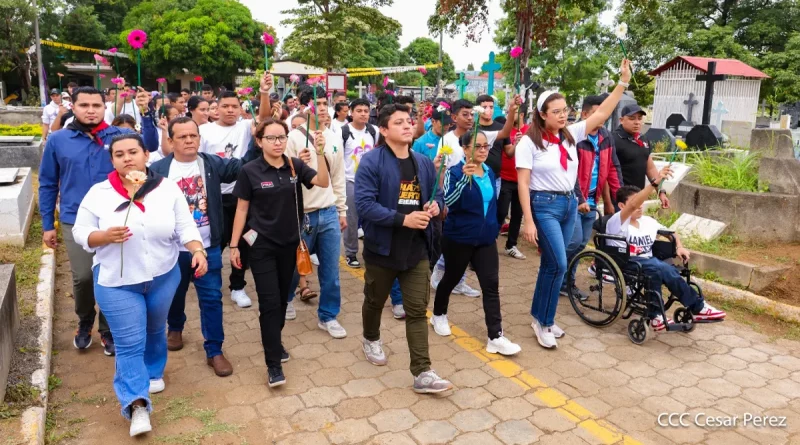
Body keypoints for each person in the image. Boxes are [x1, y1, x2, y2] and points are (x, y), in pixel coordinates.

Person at [71, 133, 207, 437]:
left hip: (163, 276)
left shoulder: (166, 188)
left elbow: (185, 225)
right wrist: (103, 236)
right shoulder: (100, 193)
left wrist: (197, 250)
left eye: (133, 152)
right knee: (130, 343)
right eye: (119, 155)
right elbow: (81, 231)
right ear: (113, 161)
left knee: (155, 328)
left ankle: (155, 369)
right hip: (117, 283)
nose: (127, 158)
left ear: (146, 155)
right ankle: (136, 404)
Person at [517, 60, 632, 349]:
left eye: (565, 109)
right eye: (556, 112)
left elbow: (603, 112)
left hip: (569, 204)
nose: (563, 115)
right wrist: (528, 221)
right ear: (542, 115)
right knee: (557, 261)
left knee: (552, 264)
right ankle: (542, 320)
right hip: (543, 206)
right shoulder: (529, 143)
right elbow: (522, 183)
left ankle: (544, 318)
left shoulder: (570, 134)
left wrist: (623, 83)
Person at [39, 87, 158, 357]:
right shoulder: (58, 140)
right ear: (74, 107)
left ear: (105, 107)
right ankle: (84, 320)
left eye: (96, 104)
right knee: (83, 277)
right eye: (84, 105)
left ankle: (107, 329)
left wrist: (146, 113)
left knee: (110, 275)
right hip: (73, 219)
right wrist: (48, 224)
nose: (90, 110)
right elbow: (47, 183)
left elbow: (149, 146)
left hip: (115, 217)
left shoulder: (118, 137)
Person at [355, 103, 453, 394]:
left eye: (409, 121)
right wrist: (403, 219)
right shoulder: (371, 162)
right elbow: (364, 206)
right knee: (374, 301)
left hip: (417, 250)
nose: (407, 126)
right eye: (398, 122)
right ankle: (371, 338)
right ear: (384, 130)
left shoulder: (422, 162)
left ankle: (422, 371)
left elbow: (441, 197)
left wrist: (437, 207)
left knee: (416, 310)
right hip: (382, 249)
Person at [229, 119, 329, 387]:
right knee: (270, 303)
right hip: (261, 246)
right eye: (271, 138)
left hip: (291, 245)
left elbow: (321, 181)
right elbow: (241, 209)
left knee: (283, 302)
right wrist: (234, 244)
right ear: (259, 141)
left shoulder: (294, 166)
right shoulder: (250, 170)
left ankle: (275, 341)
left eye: (281, 137)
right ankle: (273, 364)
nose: (277, 143)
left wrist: (320, 152)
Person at [148, 117, 241, 377]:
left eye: (193, 136)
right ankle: (175, 326)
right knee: (174, 294)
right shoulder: (158, 170)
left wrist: (259, 139)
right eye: (182, 137)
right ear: (170, 141)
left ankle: (214, 350)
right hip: (171, 250)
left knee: (211, 298)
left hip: (207, 247)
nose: (189, 140)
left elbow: (240, 166)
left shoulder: (210, 163)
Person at [430, 131, 521, 356]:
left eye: (486, 147)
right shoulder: (453, 172)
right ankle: (438, 314)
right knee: (450, 279)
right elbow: (448, 202)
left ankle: (495, 336)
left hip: (486, 240)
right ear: (464, 149)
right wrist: (463, 179)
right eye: (477, 146)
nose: (482, 150)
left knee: (491, 286)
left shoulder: (489, 172)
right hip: (459, 238)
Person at [198, 73, 273, 309]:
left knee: (243, 242)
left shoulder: (244, 127)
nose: (230, 110)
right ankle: (209, 282)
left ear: (241, 109)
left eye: (235, 107)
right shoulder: (205, 131)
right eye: (225, 106)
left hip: (243, 195)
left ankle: (237, 286)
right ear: (215, 109)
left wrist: (263, 93)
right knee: (215, 242)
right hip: (214, 198)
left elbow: (265, 118)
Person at [607, 182, 726, 329]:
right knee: (658, 267)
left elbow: (671, 233)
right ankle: (698, 307)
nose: (639, 206)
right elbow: (631, 208)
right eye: (635, 203)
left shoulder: (648, 221)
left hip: (648, 261)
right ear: (621, 206)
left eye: (641, 203)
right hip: (626, 262)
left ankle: (656, 315)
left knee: (657, 269)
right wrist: (655, 182)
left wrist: (679, 247)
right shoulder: (616, 222)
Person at [284, 85, 348, 338]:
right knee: (294, 267)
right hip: (303, 215)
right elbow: (284, 177)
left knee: (331, 270)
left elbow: (338, 176)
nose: (322, 109)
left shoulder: (333, 137)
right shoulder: (293, 138)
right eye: (316, 104)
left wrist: (342, 210)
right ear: (304, 106)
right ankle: (286, 298)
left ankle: (328, 315)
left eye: (324, 103)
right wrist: (300, 164)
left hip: (329, 211)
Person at [561, 95, 624, 298]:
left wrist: (619, 199)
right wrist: (579, 199)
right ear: (585, 114)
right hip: (573, 199)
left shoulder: (606, 136)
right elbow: (570, 172)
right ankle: (555, 274)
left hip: (592, 199)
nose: (602, 118)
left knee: (580, 244)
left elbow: (613, 168)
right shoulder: (574, 137)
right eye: (597, 113)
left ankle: (566, 282)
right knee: (574, 241)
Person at [341, 98, 378, 269]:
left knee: (372, 218)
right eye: (359, 111)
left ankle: (371, 251)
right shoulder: (344, 132)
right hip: (350, 181)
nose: (363, 114)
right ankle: (350, 252)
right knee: (352, 219)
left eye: (366, 110)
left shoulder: (373, 131)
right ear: (351, 112)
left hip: (371, 183)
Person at [613, 104, 670, 208]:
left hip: (638, 196)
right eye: (632, 118)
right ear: (621, 120)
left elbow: (650, 168)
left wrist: (661, 192)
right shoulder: (614, 140)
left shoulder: (643, 139)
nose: (637, 122)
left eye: (639, 118)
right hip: (619, 198)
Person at [498, 115, 527, 260]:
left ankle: (511, 245)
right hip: (505, 178)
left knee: (517, 214)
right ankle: (490, 242)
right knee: (501, 212)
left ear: (521, 114)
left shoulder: (529, 131)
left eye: (514, 112)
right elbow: (508, 153)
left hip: (522, 180)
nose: (509, 114)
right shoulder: (505, 130)